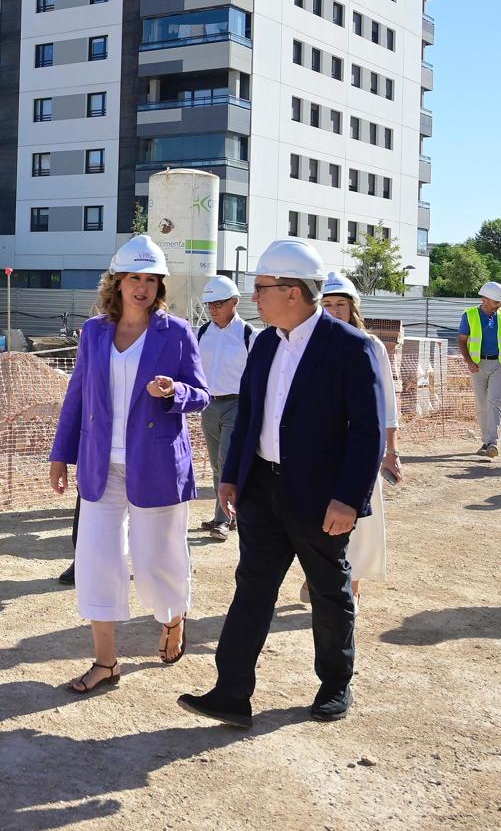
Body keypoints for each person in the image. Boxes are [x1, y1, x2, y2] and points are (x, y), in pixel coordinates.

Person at [179, 240, 382, 729]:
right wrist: (231, 476)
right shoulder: (267, 341)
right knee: (252, 588)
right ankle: (231, 692)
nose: (255, 298)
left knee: (329, 591)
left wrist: (349, 500)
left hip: (320, 499)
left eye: (262, 288)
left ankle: (335, 683)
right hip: (261, 492)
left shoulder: (351, 348)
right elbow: (249, 413)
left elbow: (368, 431)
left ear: (292, 292)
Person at [48, 235, 210, 693]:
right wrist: (61, 455)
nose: (142, 287)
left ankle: (173, 616)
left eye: (151, 279)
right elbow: (76, 395)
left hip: (156, 464)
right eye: (134, 278)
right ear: (116, 283)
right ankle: (105, 662)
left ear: (160, 286)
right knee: (97, 559)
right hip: (101, 465)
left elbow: (201, 394)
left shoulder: (175, 332)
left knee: (155, 558)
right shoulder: (94, 332)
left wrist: (174, 392)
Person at [314, 272, 400, 606]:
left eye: (341, 305)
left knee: (360, 517)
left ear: (353, 308)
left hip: (359, 445)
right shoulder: (308, 345)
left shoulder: (370, 346)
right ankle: (317, 573)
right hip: (319, 446)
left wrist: (391, 451)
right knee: (316, 513)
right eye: (328, 304)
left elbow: (387, 404)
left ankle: (353, 580)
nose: (334, 311)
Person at [195, 276, 255, 542]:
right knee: (217, 464)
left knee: (226, 461)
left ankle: (223, 520)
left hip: (237, 405)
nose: (213, 308)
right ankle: (228, 514)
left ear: (235, 302)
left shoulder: (249, 335)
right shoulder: (202, 333)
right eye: (210, 304)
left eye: (219, 303)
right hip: (209, 405)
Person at [458, 281, 501, 459]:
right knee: (482, 406)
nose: (500, 305)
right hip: (478, 366)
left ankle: (492, 442)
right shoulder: (469, 315)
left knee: (495, 402)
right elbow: (462, 341)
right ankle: (486, 442)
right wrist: (468, 361)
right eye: (497, 301)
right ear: (485, 300)